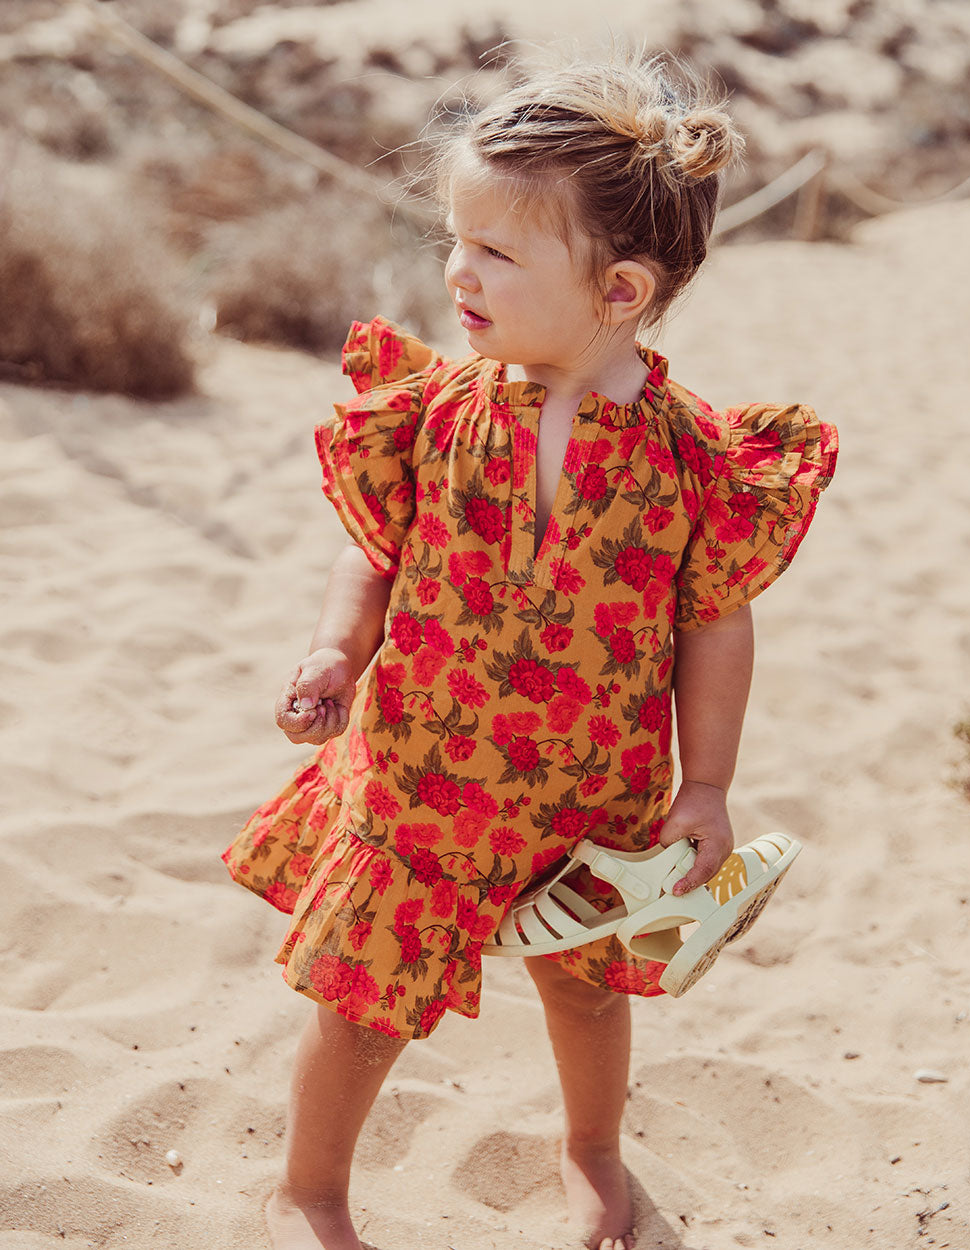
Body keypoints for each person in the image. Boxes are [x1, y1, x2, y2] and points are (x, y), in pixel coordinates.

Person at [222, 47, 838, 1250]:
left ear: (618, 288)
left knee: (588, 986)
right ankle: (311, 1188)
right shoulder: (439, 407)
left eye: (496, 252)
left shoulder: (691, 455)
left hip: (590, 788)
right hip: (421, 775)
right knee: (361, 1003)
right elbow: (373, 548)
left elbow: (715, 615)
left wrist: (704, 781)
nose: (458, 271)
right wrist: (335, 654)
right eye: (454, 240)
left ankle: (592, 1150)